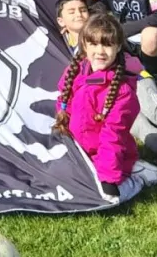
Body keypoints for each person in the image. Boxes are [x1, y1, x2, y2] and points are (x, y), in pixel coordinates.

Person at [53, 12, 139, 204]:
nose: (100, 51)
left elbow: (113, 136)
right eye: (94, 44)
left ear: (117, 47)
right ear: (84, 45)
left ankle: (139, 178)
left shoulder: (123, 92)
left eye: (107, 44)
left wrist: (108, 178)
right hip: (80, 155)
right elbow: (62, 102)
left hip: (111, 159)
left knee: (105, 199)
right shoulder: (74, 72)